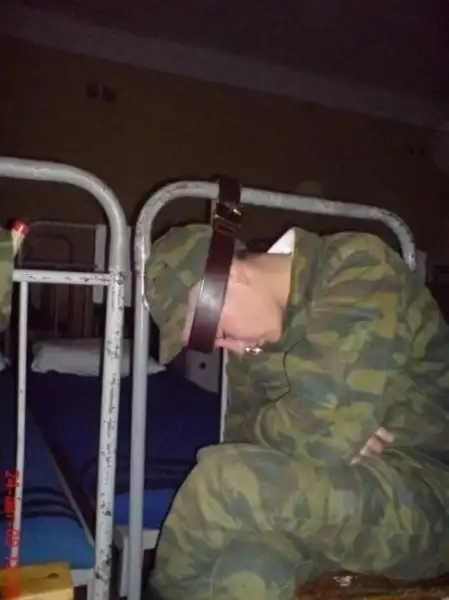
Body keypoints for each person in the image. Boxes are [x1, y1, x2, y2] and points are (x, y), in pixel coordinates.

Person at [144, 223, 449, 600]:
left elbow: (323, 431)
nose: (230, 349)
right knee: (248, 570)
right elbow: (244, 439)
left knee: (223, 480)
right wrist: (311, 426)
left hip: (420, 497)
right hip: (329, 507)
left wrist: (321, 430)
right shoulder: (252, 350)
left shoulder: (357, 266)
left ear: (231, 277)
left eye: (216, 333)